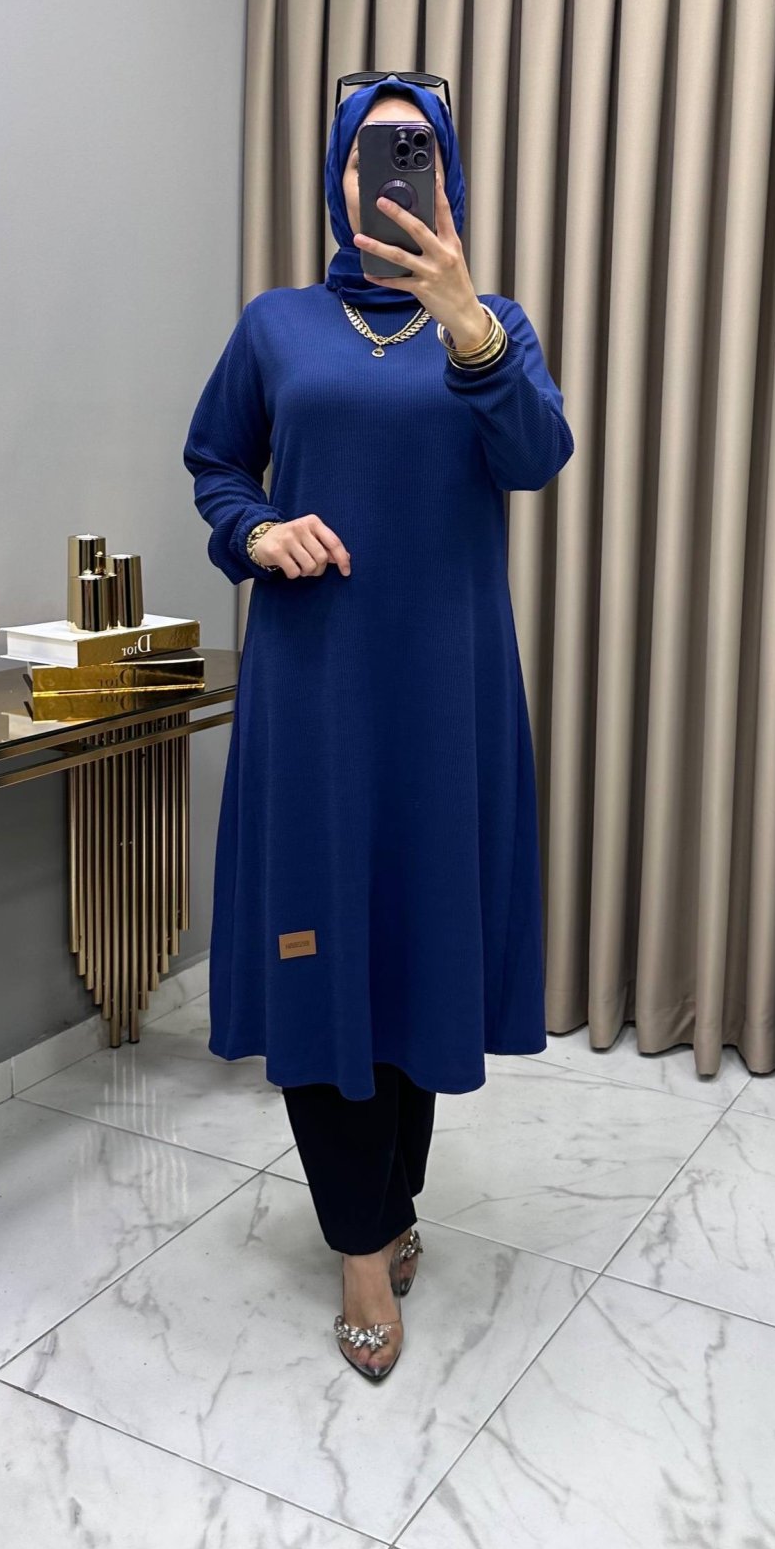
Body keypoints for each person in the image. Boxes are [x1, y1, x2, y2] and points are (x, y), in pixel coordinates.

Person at [183, 72, 574, 1382]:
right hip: (315, 693)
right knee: (320, 944)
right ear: (337, 178)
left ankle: (390, 1201)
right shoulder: (276, 326)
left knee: (414, 947)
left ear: (446, 180)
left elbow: (535, 456)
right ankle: (361, 1246)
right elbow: (216, 465)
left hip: (446, 698)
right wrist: (257, 532)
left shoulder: (492, 325)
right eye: (370, 154)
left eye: (416, 153)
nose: (391, 175)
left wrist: (468, 324)